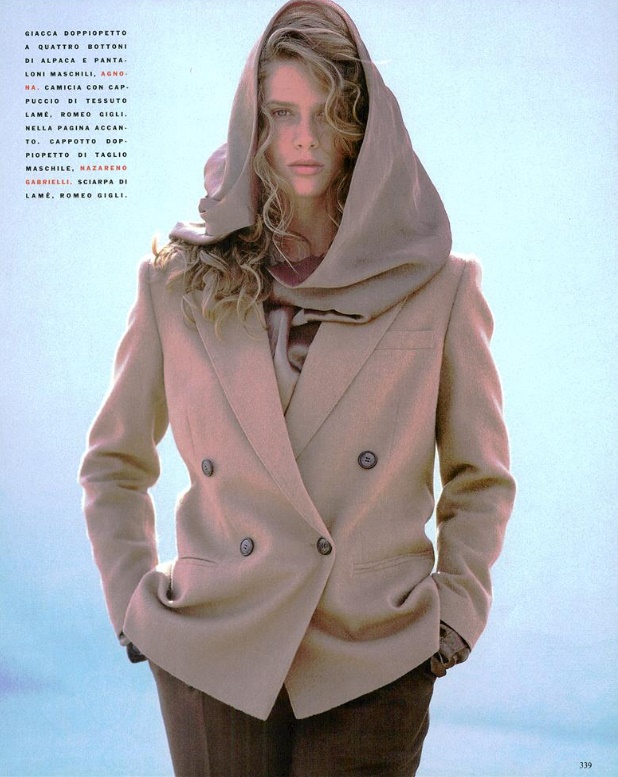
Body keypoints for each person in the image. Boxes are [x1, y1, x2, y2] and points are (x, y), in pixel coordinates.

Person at [79, 1, 516, 774]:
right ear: (253, 122)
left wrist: (454, 615)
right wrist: (132, 604)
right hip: (213, 648)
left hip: (373, 650)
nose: (305, 137)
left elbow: (480, 475)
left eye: (326, 111)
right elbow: (113, 462)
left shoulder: (440, 284)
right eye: (282, 113)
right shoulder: (175, 281)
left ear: (362, 121)